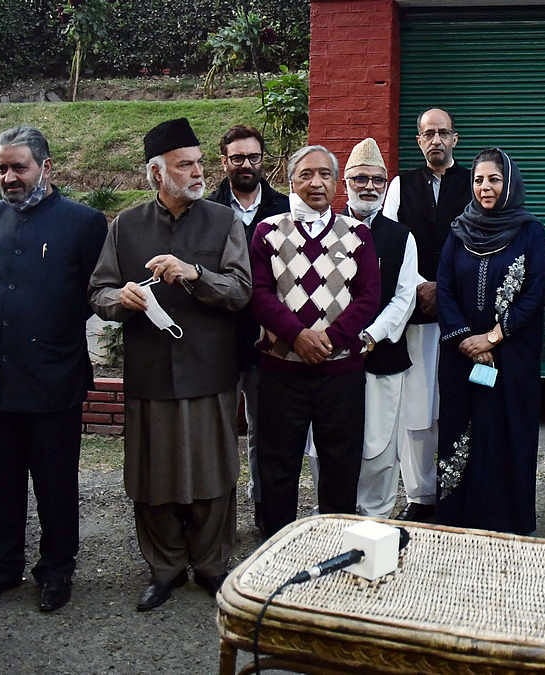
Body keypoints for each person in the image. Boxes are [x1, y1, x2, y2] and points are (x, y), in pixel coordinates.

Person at [88, 118, 252, 611]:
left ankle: (210, 565)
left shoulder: (225, 222)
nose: (199, 171)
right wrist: (124, 296)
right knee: (152, 477)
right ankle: (163, 570)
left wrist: (196, 273)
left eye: (201, 162)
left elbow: (241, 290)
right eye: (186, 164)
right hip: (151, 374)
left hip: (210, 371)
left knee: (212, 474)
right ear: (157, 174)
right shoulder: (125, 226)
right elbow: (99, 293)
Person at [0, 126, 107, 613]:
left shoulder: (83, 222)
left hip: (53, 379)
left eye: (18, 167)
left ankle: (57, 570)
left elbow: (99, 292)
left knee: (55, 483)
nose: (8, 177)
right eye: (2, 168)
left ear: (46, 167)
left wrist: (51, 327)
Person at [249, 145, 381, 536]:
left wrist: (327, 339)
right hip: (281, 371)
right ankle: (277, 545)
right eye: (306, 174)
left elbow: (369, 296)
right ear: (291, 181)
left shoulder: (357, 234)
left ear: (337, 182)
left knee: (341, 463)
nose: (316, 182)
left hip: (341, 370)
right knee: (278, 464)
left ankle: (334, 546)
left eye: (325, 174)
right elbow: (259, 292)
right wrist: (296, 335)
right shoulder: (268, 232)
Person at [435, 148, 545, 534]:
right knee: (462, 427)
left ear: (510, 183)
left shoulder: (530, 232)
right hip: (461, 356)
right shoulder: (458, 231)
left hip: (511, 358)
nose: (486, 187)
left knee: (506, 430)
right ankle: (458, 516)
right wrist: (466, 338)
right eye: (479, 180)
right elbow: (445, 289)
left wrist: (494, 336)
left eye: (494, 179)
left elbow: (537, 293)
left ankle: (508, 520)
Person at [305, 138, 418, 517]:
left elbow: (405, 297)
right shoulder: (322, 230)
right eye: (360, 179)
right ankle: (332, 521)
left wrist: (371, 334)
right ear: (345, 183)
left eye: (377, 180)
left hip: (381, 355)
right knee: (326, 445)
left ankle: (376, 523)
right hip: (329, 359)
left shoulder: (402, 237)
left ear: (386, 186)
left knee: (380, 448)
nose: (369, 186)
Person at [381, 108, 470, 522]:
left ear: (455, 138)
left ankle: (459, 490)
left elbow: (479, 240)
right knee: (416, 409)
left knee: (456, 402)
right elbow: (391, 237)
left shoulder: (473, 181)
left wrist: (446, 289)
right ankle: (420, 496)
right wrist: (419, 284)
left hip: (462, 313)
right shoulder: (402, 185)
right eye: (427, 134)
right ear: (419, 141)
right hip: (415, 310)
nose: (435, 140)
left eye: (442, 133)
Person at [206, 124, 289, 532]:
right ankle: (220, 523)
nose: (245, 165)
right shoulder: (206, 210)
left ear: (263, 160)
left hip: (268, 341)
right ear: (224, 161)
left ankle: (264, 517)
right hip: (220, 341)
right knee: (220, 437)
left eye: (253, 157)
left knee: (264, 435)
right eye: (237, 158)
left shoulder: (286, 209)